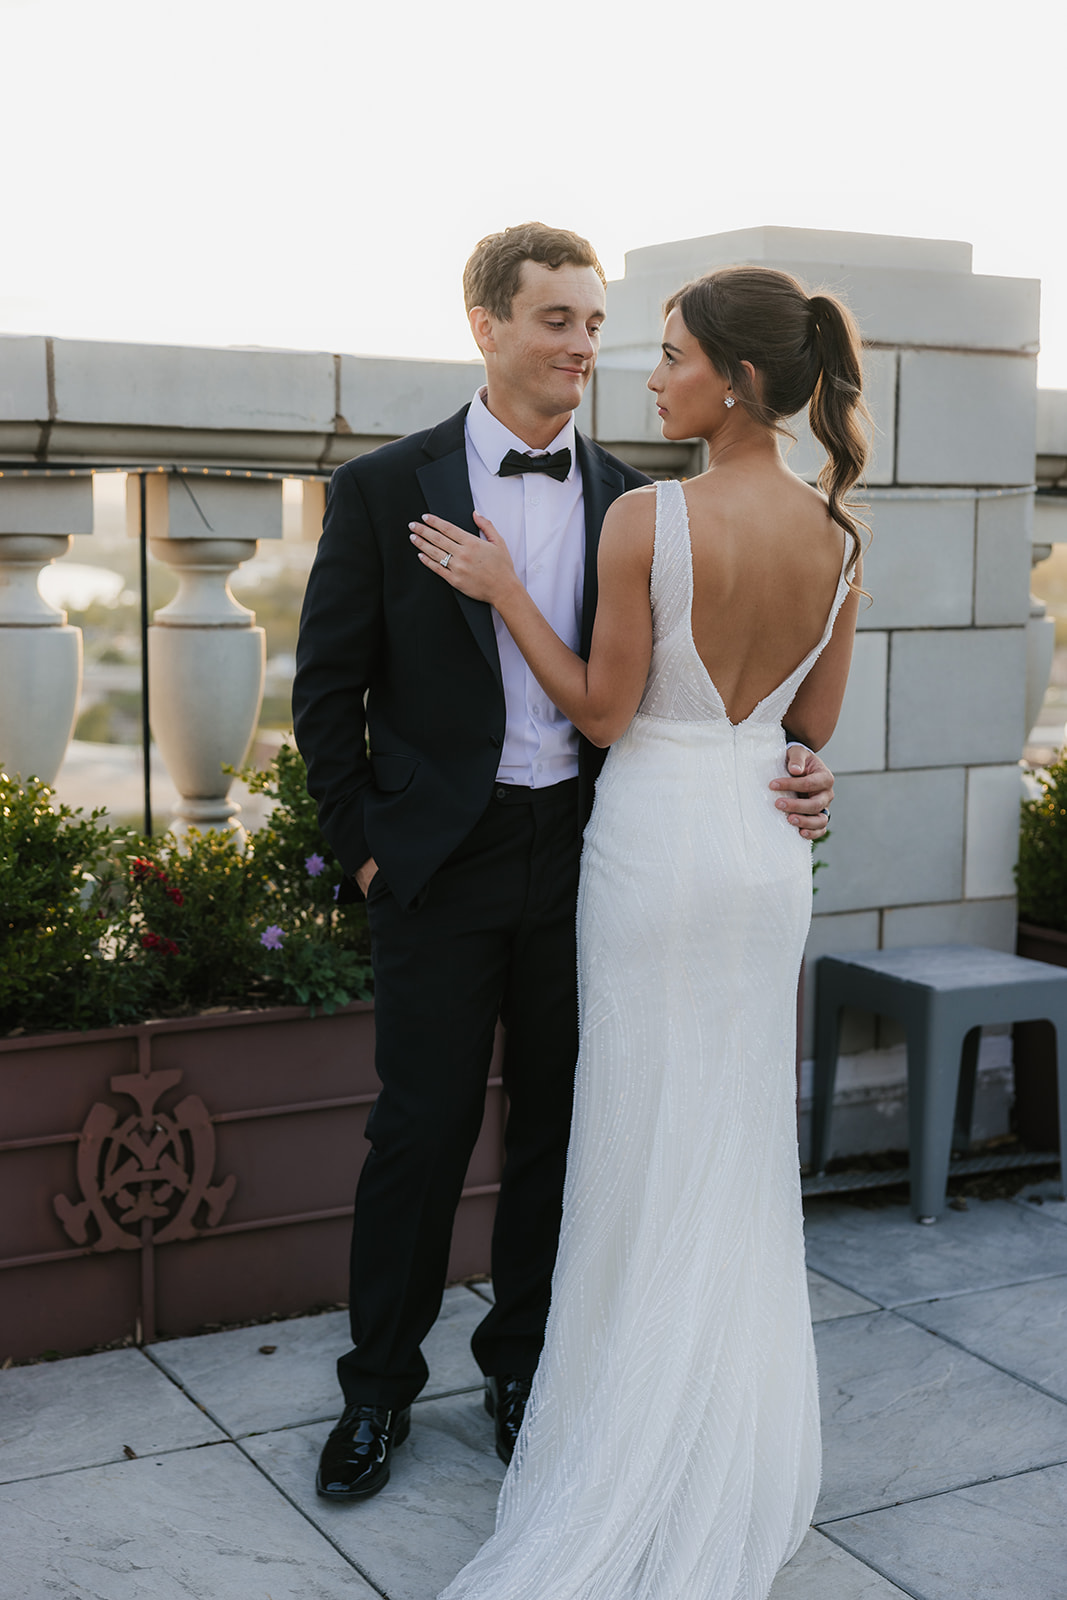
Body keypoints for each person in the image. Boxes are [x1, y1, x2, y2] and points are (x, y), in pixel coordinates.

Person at [292, 226, 836, 1505]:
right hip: (437, 862)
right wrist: (365, 856)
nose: (585, 348)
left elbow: (697, 701)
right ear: (485, 324)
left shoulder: (642, 497)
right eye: (557, 322)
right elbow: (324, 696)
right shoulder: (385, 489)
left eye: (598, 324)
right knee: (417, 1134)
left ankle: (522, 1367)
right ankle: (377, 1391)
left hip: (593, 856)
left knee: (558, 1127)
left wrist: (804, 766)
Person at [409, 263, 866, 1600]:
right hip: (760, 859)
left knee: (632, 1139)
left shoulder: (645, 519)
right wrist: (792, 774)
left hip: (652, 850)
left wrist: (502, 591)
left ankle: (628, 1444)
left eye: (666, 354)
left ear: (729, 379)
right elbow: (811, 733)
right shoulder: (839, 535)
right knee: (727, 1146)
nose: (644, 373)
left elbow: (600, 716)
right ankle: (725, 1443)